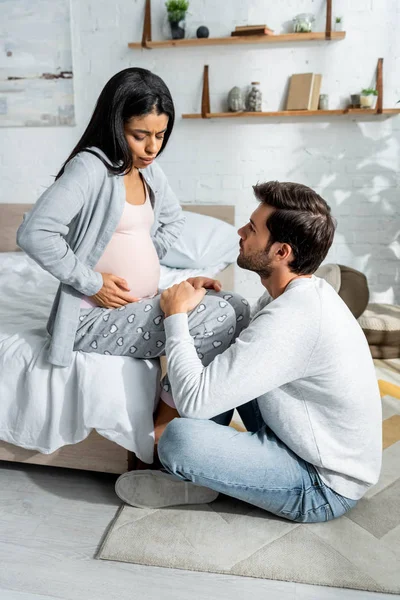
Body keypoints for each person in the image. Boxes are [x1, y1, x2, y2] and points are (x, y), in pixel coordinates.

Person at [114, 181, 382, 523]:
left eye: (252, 229)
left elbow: (196, 402)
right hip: (295, 437)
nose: (241, 232)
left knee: (180, 441)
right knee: (231, 318)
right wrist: (203, 303)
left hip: (321, 485)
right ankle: (214, 475)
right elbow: (240, 345)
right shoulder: (293, 295)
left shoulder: (294, 319)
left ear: (281, 252)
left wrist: (176, 316)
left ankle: (201, 477)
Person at [16, 67, 250, 447]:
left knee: (235, 306)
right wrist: (93, 282)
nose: (152, 148)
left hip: (135, 304)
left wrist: (150, 263)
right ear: (114, 124)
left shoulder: (148, 172)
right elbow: (34, 233)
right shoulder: (90, 168)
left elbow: (172, 220)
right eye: (140, 136)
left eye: (160, 136)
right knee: (221, 317)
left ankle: (194, 417)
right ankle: (165, 423)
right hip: (91, 317)